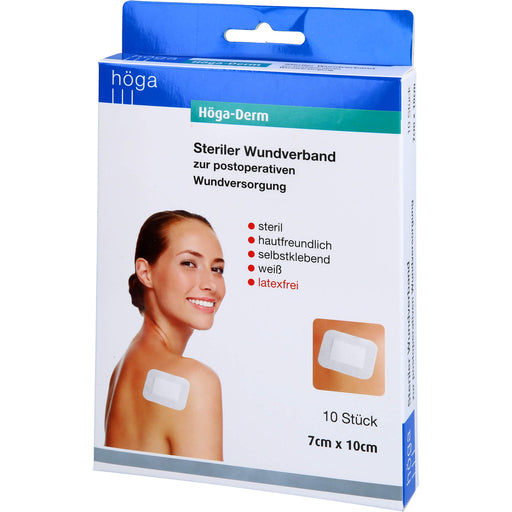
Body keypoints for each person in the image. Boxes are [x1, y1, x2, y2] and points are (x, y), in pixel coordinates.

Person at [104, 210, 226, 460]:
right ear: (145, 273)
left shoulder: (124, 368)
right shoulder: (195, 382)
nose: (211, 284)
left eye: (217, 269)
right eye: (189, 263)